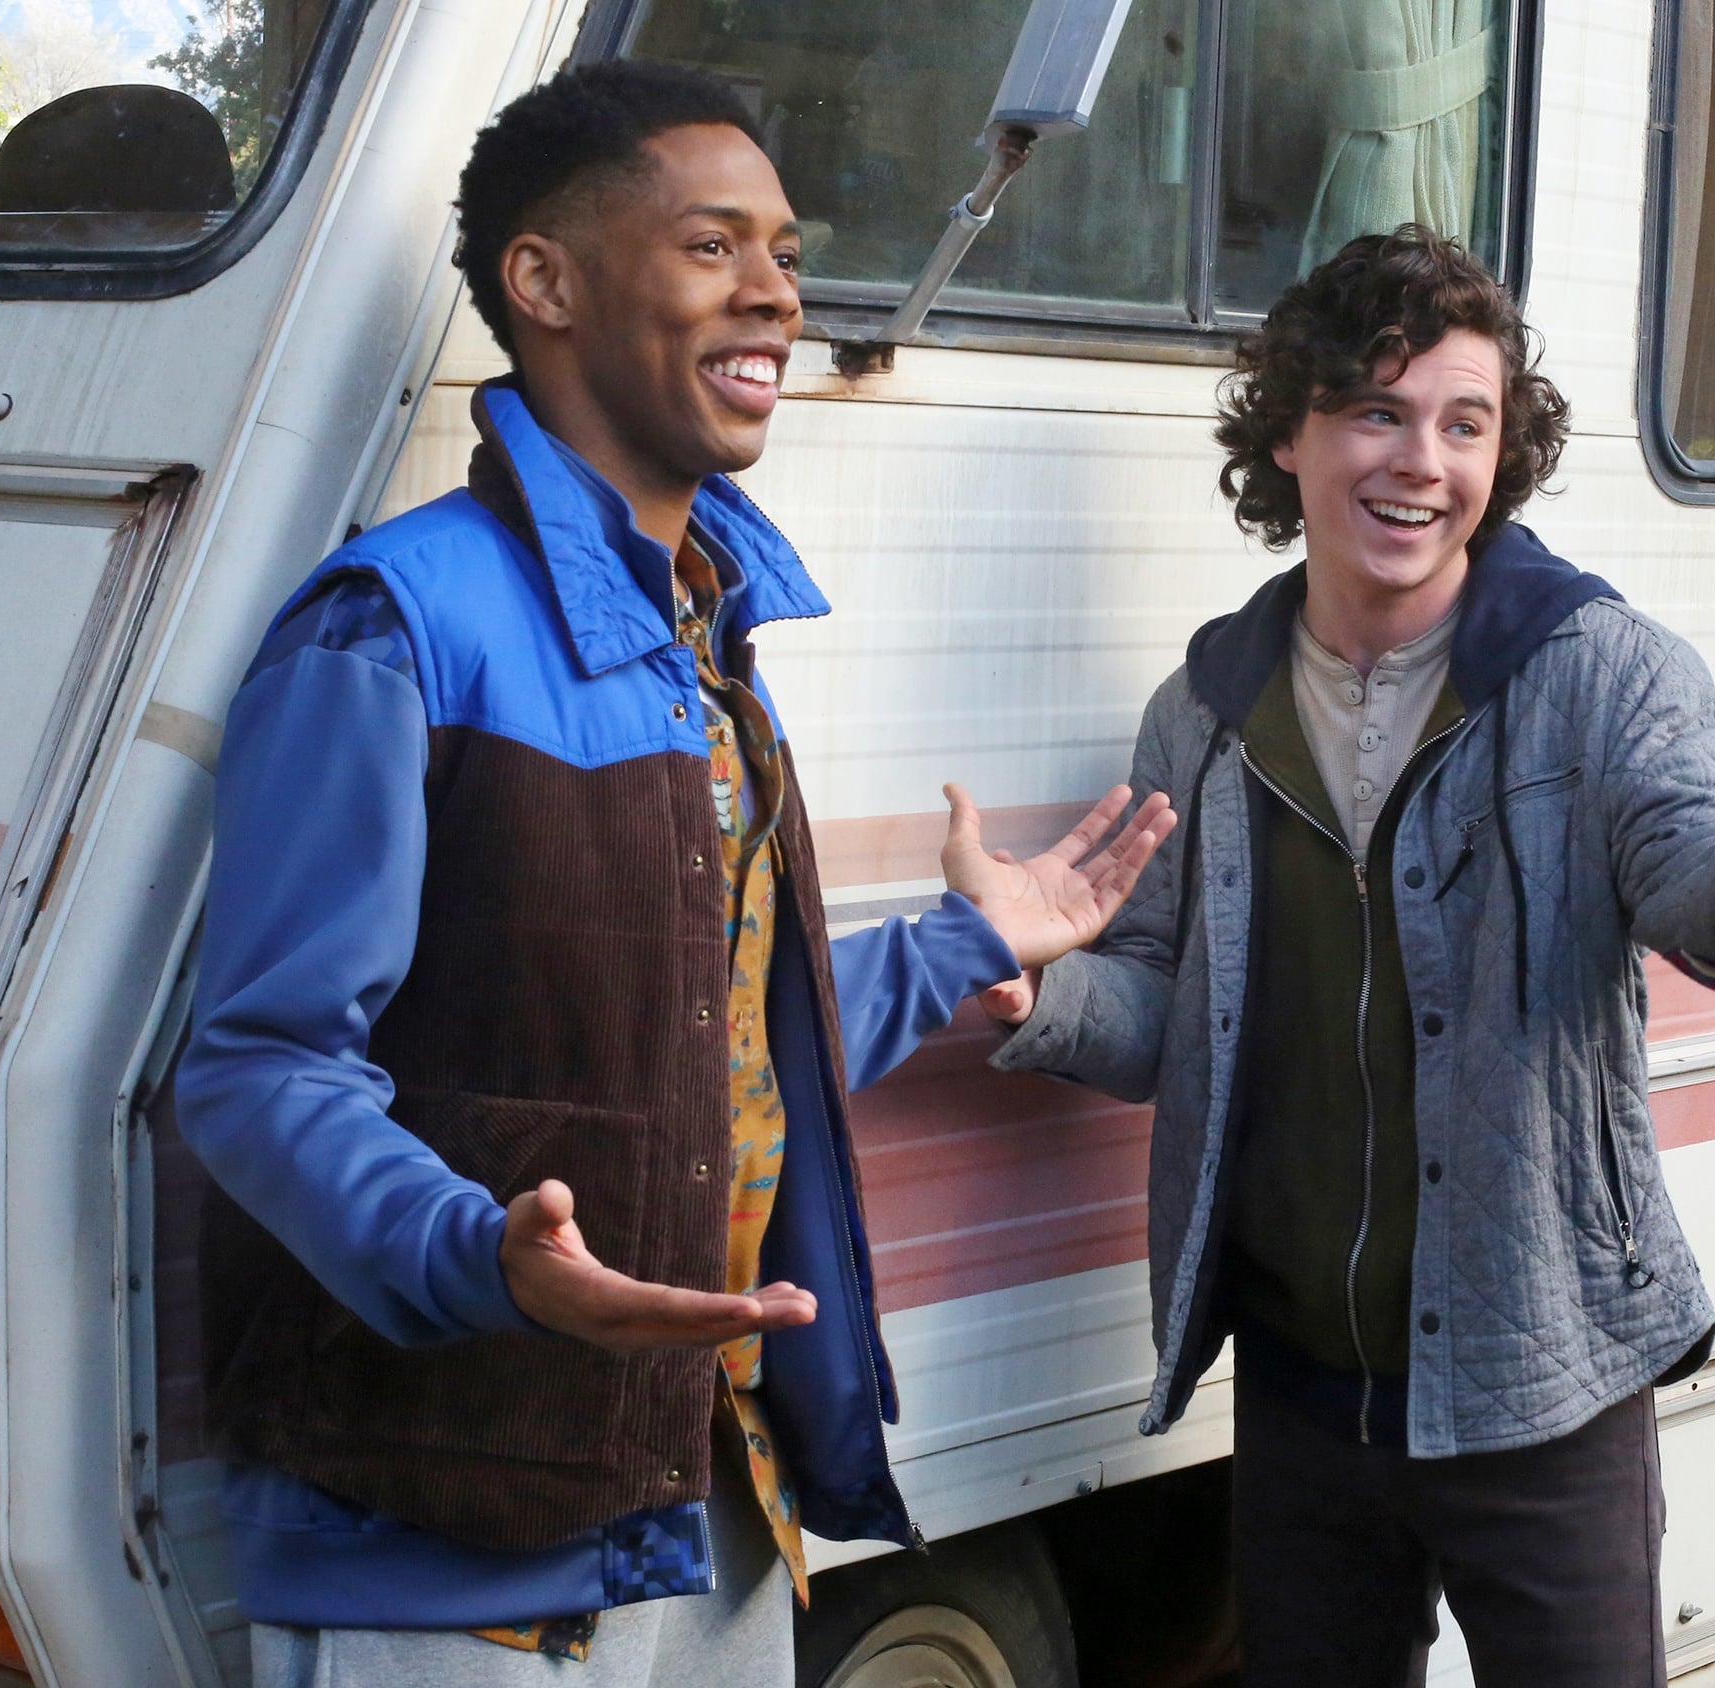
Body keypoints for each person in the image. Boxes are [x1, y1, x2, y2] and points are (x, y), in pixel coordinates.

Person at [175, 61, 1172, 1687]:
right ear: (546, 281)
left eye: (785, 252)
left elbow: (703, 1031)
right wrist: (476, 1253)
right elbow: (258, 1067)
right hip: (464, 1553)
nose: (776, 292)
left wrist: (961, 942)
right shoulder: (391, 628)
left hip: (711, 1495)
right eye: (714, 246)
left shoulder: (702, 633)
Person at [963, 227, 1715, 1686]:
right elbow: (1171, 1007)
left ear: (1504, 454)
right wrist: (1036, 985)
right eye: (1377, 411)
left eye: (1464, 423)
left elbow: (1694, 880)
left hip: (1542, 1380)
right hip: (1304, 1390)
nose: (1420, 462)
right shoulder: (1208, 706)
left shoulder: (1597, 671)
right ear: (1291, 433)